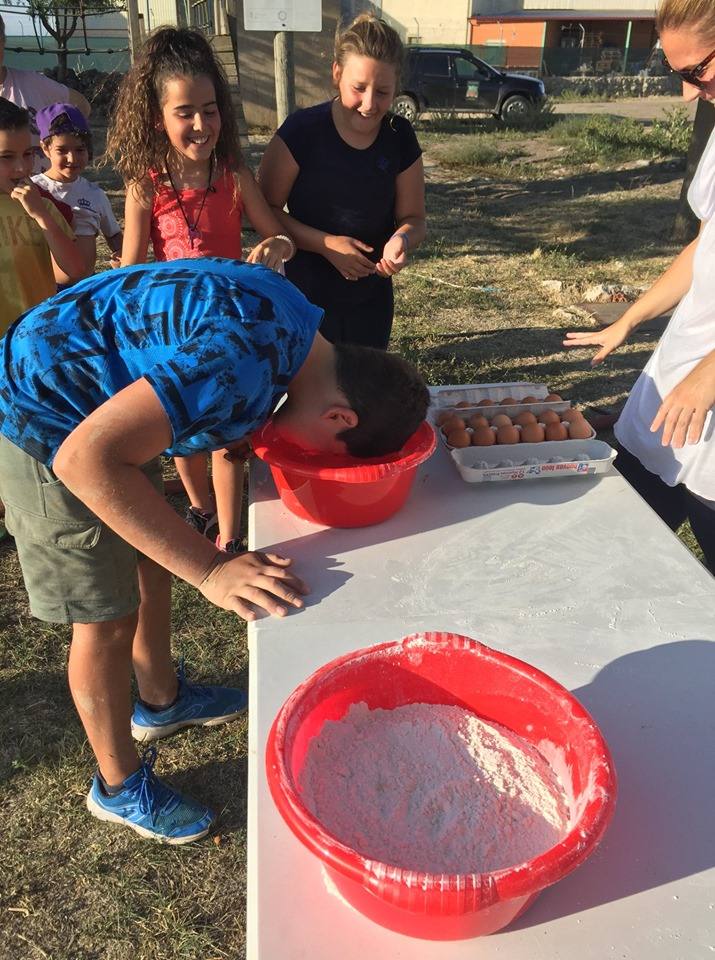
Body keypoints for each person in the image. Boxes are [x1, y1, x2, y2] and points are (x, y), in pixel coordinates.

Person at [0, 257, 430, 843]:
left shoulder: (299, 323)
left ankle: (160, 700)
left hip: (99, 399)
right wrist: (210, 570)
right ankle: (117, 786)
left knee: (150, 557)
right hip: (47, 416)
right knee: (105, 615)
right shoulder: (243, 360)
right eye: (327, 452)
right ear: (339, 416)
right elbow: (87, 460)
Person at [106, 27, 297, 554]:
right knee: (181, 435)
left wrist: (278, 248)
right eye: (185, 112)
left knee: (231, 435)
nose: (200, 124)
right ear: (157, 119)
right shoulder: (145, 185)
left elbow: (273, 232)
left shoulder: (234, 172)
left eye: (210, 110)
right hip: (171, 331)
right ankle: (202, 510)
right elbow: (129, 271)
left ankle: (232, 539)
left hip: (229, 326)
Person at [564, 0, 715, 574]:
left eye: (695, 71)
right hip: (675, 383)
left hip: (706, 391)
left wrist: (712, 371)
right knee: (608, 550)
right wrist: (631, 318)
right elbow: (704, 249)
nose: (686, 92)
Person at [258, 13, 426, 350]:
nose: (369, 104)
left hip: (371, 298)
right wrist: (326, 244)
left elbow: (414, 219)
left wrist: (401, 241)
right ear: (336, 73)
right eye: (358, 88)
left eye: (382, 92)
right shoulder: (301, 131)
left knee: (362, 391)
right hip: (305, 294)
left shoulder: (400, 137)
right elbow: (264, 210)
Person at [0, 97, 83, 331]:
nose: (22, 167)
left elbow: (74, 272)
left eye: (28, 154)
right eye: (6, 157)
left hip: (35, 340)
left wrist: (41, 216)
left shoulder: (41, 205)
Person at [32, 103, 122, 284]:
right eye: (62, 150)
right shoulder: (34, 190)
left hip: (86, 288)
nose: (72, 158)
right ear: (45, 148)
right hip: (45, 290)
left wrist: (122, 257)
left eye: (80, 150)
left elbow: (113, 235)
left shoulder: (95, 194)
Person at [0, 14, 90, 172]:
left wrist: (64, 144)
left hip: (39, 191)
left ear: (3, 42)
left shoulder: (31, 83)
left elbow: (81, 105)